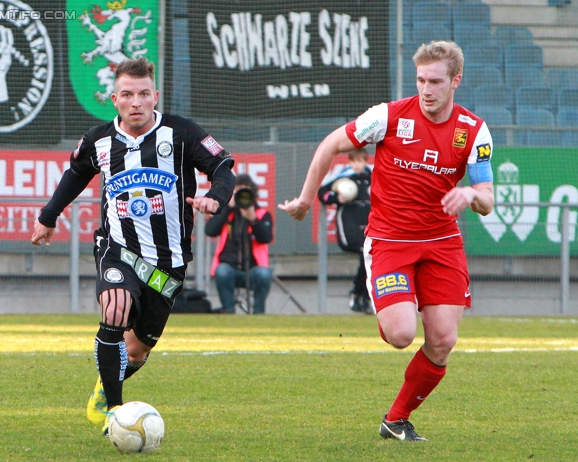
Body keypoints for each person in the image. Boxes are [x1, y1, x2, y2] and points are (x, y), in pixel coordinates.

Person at [279, 41, 494, 441]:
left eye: (435, 81)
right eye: (420, 80)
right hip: (390, 240)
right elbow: (331, 144)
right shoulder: (389, 116)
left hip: (442, 242)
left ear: (455, 81)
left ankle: (396, 419)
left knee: (443, 339)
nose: (426, 90)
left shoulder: (474, 131)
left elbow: (488, 200)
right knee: (400, 335)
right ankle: (390, 305)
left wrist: (471, 194)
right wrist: (307, 200)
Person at [30, 58, 235, 435]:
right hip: (118, 247)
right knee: (115, 306)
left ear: (155, 96)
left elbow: (223, 166)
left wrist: (216, 197)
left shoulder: (182, 133)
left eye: (143, 94)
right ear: (114, 99)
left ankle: (106, 385)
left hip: (169, 259)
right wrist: (49, 215)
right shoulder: (98, 140)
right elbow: (76, 172)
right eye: (127, 94)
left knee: (137, 349)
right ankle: (116, 412)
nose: (136, 102)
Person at [205, 173, 274, 314]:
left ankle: (258, 314)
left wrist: (253, 219)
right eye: (238, 192)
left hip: (254, 269)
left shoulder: (262, 214)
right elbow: (210, 230)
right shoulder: (227, 214)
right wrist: (227, 207)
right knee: (222, 271)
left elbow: (266, 238)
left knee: (265, 274)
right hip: (230, 268)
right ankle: (229, 311)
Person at [317, 149, 373, 314]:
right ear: (349, 162)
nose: (357, 165)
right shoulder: (344, 177)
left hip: (370, 224)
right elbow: (323, 193)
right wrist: (335, 198)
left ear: (365, 161)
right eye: (354, 161)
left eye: (360, 161)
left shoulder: (373, 177)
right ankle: (359, 294)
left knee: (371, 257)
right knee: (366, 254)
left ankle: (362, 296)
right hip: (350, 225)